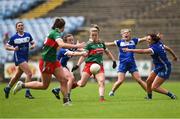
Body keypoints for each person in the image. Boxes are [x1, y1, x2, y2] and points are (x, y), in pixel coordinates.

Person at [13, 18, 85, 105]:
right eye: (64, 27)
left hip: (54, 60)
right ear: (61, 27)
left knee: (63, 80)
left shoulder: (53, 32)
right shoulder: (55, 33)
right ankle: (22, 85)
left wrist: (77, 47)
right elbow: (62, 45)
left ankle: (66, 102)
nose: (64, 29)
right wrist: (76, 45)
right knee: (44, 86)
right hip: (46, 61)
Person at [123, 33, 177, 99]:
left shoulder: (154, 48)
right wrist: (174, 56)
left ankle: (171, 95)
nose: (147, 40)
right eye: (147, 38)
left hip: (164, 68)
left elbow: (142, 51)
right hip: (158, 66)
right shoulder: (159, 43)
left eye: (149, 39)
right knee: (148, 81)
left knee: (154, 87)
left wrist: (129, 50)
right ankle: (149, 97)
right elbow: (168, 48)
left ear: (153, 41)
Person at [71, 25, 117, 102]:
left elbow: (107, 52)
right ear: (90, 35)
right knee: (82, 84)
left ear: (98, 34)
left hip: (99, 66)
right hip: (89, 65)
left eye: (95, 35)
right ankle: (72, 85)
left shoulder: (102, 43)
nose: (94, 36)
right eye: (92, 35)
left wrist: (114, 61)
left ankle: (101, 98)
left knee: (101, 81)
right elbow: (84, 55)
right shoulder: (88, 44)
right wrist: (77, 65)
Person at [105, 28, 147, 96]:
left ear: (130, 34)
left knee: (139, 80)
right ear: (122, 35)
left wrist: (151, 37)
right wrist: (102, 43)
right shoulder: (119, 42)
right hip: (123, 64)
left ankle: (149, 93)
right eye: (124, 33)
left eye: (127, 33)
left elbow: (143, 39)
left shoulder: (134, 41)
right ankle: (112, 92)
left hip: (132, 64)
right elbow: (110, 44)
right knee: (120, 81)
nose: (126, 34)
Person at [4, 21, 36, 99]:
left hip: (25, 57)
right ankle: (27, 92)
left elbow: (33, 43)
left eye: (22, 25)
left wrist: (33, 46)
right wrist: (13, 48)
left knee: (17, 75)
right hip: (19, 57)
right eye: (19, 26)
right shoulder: (14, 37)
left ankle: (7, 88)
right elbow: (6, 47)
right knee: (29, 74)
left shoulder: (28, 35)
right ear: (16, 28)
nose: (21, 27)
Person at [52, 34, 87, 102]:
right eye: (70, 40)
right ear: (65, 42)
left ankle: (57, 90)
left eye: (72, 40)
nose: (72, 41)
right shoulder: (63, 49)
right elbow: (73, 53)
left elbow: (81, 49)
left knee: (69, 82)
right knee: (71, 78)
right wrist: (82, 53)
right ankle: (67, 97)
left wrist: (86, 50)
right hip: (58, 66)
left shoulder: (72, 47)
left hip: (63, 66)